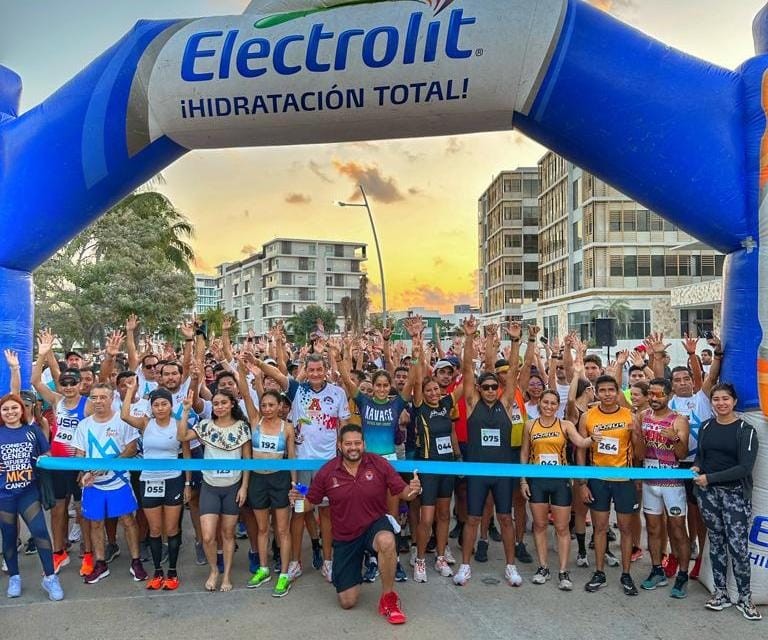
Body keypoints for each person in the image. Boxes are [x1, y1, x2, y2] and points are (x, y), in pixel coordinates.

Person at [289, 424, 422, 625]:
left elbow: (404, 492)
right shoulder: (327, 471)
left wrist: (414, 489)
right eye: (348, 443)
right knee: (347, 601)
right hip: (346, 536)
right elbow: (309, 503)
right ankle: (356, 569)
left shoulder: (378, 463)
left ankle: (389, 598)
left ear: (364, 444)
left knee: (386, 540)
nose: (353, 447)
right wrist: (297, 500)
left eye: (357, 443)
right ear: (339, 445)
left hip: (374, 526)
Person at [249, 352, 350, 584]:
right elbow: (277, 374)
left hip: (327, 465)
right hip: (302, 464)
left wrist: (343, 454)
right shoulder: (297, 389)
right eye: (311, 370)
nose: (315, 374)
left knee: (325, 513)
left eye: (319, 369)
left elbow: (344, 425)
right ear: (306, 370)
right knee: (299, 511)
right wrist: (257, 362)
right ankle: (294, 562)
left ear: (325, 369)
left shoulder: (338, 393)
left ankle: (328, 562)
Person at [334, 337, 416, 583]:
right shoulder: (364, 400)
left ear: (390, 387)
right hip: (366, 462)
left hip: (389, 462)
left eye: (384, 385)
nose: (380, 389)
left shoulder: (397, 403)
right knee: (368, 512)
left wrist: (417, 349)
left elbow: (412, 379)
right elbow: (347, 379)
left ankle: (394, 561)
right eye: (378, 385)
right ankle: (371, 560)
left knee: (391, 514)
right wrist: (340, 356)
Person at [453, 316, 523, 587]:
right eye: (487, 387)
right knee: (472, 518)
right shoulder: (472, 403)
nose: (491, 390)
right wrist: (469, 337)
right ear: (479, 390)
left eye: (495, 386)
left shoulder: (506, 403)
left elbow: (513, 371)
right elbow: (467, 368)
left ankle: (510, 566)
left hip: (502, 471)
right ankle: (465, 566)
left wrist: (515, 341)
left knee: (505, 518)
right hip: (478, 472)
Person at [692, 383, 761, 620]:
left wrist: (709, 478)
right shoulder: (706, 426)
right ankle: (720, 593)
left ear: (734, 401)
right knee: (717, 543)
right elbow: (701, 456)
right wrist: (697, 467)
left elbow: (744, 468)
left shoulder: (746, 430)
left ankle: (745, 598)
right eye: (716, 399)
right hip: (708, 495)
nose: (721, 403)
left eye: (725, 399)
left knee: (738, 548)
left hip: (735, 496)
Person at [176, 387, 251, 592]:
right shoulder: (205, 426)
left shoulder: (242, 428)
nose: (219, 407)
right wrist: (185, 410)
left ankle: (226, 575)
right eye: (216, 403)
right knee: (208, 536)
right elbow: (182, 436)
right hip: (209, 486)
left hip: (233, 486)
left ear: (232, 404)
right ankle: (214, 570)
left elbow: (247, 460)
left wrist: (244, 487)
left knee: (228, 534)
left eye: (223, 403)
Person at [520, 389, 596, 591]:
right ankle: (543, 567)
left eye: (553, 403)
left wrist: (593, 438)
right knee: (539, 525)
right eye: (545, 402)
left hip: (560, 482)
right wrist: (523, 481)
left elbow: (580, 442)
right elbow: (525, 453)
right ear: (540, 403)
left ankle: (563, 571)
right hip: (537, 481)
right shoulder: (530, 425)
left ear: (557, 406)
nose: (549, 406)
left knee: (562, 528)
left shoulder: (565, 425)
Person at [31, 330, 93, 576]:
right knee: (58, 511)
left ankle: (87, 554)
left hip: (78, 464)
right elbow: (36, 381)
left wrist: (87, 466)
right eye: (64, 383)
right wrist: (43, 355)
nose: (68, 387)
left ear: (80, 384)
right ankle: (59, 553)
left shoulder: (88, 405)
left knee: (82, 512)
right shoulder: (56, 401)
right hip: (57, 463)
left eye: (72, 383)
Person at [73, 383, 146, 584]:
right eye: (94, 397)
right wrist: (84, 472)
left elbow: (132, 448)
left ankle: (136, 561)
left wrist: (110, 465)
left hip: (119, 481)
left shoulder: (122, 421)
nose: (98, 401)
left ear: (112, 399)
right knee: (96, 523)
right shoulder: (84, 425)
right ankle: (100, 563)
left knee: (128, 520)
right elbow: (79, 454)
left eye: (103, 397)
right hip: (93, 484)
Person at [577, 375, 639, 596]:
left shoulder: (629, 416)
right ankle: (599, 572)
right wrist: (582, 483)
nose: (607, 394)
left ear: (617, 391)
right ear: (596, 392)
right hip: (598, 479)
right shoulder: (587, 416)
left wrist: (636, 432)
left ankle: (626, 574)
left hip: (624, 479)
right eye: (602, 390)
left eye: (611, 390)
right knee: (600, 527)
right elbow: (581, 450)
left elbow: (639, 451)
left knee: (625, 528)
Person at [120, 381, 185, 591]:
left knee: (172, 528)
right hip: (149, 480)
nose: (160, 408)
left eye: (164, 404)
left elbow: (187, 454)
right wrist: (130, 391)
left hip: (173, 479)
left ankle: (172, 572)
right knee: (155, 529)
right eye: (156, 405)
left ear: (171, 405)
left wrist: (187, 483)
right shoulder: (146, 423)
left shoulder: (178, 424)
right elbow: (124, 416)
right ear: (151, 407)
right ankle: (157, 572)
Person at [241, 355, 297, 597]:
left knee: (282, 530)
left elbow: (292, 458)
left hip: (279, 479)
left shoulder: (287, 427)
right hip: (257, 479)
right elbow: (245, 393)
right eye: (264, 405)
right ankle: (263, 568)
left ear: (280, 406)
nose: (267, 409)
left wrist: (294, 484)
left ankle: (284, 574)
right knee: (263, 529)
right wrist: (244, 370)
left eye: (272, 405)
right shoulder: (255, 420)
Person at [0, 393, 64, 601]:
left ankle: (50, 577)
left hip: (28, 492)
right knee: (9, 537)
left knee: (40, 532)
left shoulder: (33, 430)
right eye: (5, 409)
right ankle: (14, 577)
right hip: (4, 495)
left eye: (14, 408)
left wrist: (43, 458)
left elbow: (47, 453)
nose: (10, 412)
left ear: (22, 410)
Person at [632, 378, 691, 598]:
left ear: (669, 395)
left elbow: (682, 455)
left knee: (677, 529)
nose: (654, 398)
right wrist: (638, 434)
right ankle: (657, 569)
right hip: (650, 481)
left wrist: (674, 439)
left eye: (659, 395)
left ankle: (683, 574)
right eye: (651, 394)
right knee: (653, 528)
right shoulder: (642, 416)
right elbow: (639, 455)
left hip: (672, 483)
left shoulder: (678, 419)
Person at [411, 337, 462, 583]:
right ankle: (421, 559)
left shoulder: (446, 402)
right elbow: (417, 379)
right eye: (428, 390)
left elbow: (466, 378)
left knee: (444, 515)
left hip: (447, 466)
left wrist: (467, 343)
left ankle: (441, 557)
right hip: (428, 467)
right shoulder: (420, 406)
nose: (433, 393)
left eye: (436, 390)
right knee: (427, 518)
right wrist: (417, 348)